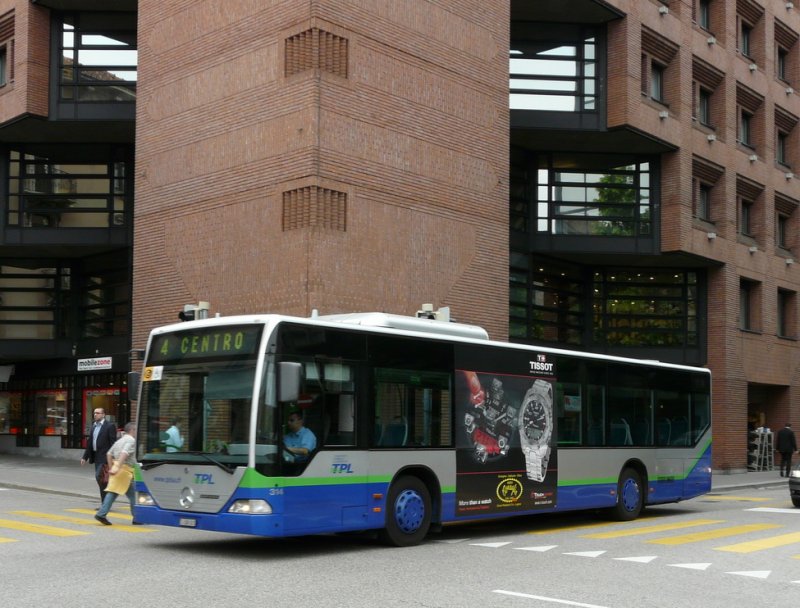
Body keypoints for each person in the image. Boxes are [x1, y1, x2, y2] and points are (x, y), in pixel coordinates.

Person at [95, 422, 139, 525]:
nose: (136, 432)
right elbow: (125, 452)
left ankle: (101, 514)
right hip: (125, 471)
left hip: (117, 469)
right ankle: (137, 518)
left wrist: (112, 468)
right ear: (132, 430)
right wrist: (118, 467)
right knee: (133, 496)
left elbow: (109, 454)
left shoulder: (120, 441)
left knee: (113, 492)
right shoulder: (131, 440)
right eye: (136, 430)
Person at [80, 407, 118, 502]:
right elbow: (90, 443)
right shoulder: (94, 426)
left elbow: (113, 443)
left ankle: (107, 498)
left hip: (105, 458)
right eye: (94, 413)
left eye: (98, 413)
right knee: (101, 480)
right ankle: (105, 502)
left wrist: (113, 458)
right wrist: (85, 457)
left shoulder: (109, 426)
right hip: (96, 457)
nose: (95, 414)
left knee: (99, 477)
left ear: (103, 414)